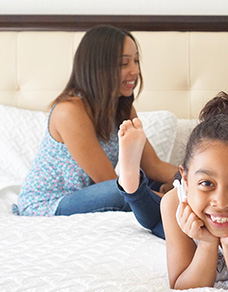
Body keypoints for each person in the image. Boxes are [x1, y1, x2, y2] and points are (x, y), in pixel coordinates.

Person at [117, 92, 228, 291]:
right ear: (184, 178)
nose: (221, 201)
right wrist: (207, 243)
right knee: (152, 220)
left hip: (209, 215)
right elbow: (182, 286)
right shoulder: (175, 203)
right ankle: (131, 183)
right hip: (192, 214)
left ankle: (132, 185)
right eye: (207, 183)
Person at [15, 25, 178, 217]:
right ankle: (175, 205)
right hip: (49, 203)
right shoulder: (68, 111)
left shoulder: (122, 107)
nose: (135, 70)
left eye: (136, 61)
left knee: (163, 181)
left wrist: (196, 180)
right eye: (124, 64)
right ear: (98, 68)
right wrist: (172, 198)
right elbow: (109, 182)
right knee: (120, 188)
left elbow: (153, 166)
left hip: (91, 194)